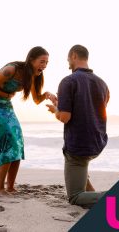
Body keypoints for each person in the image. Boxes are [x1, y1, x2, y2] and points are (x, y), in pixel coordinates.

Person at [0, 46, 57, 196]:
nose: (44, 66)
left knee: (18, 140)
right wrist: (7, 95)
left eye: (46, 63)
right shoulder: (11, 70)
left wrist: (47, 94)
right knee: (8, 139)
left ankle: (10, 187)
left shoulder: (34, 76)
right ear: (31, 60)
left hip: (6, 107)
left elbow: (36, 99)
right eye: (42, 62)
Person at [46, 45, 110, 207]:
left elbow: (65, 117)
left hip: (78, 147)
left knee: (75, 196)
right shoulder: (102, 83)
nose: (68, 62)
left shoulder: (68, 81)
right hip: (97, 142)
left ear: (74, 55)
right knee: (81, 168)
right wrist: (59, 103)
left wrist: (55, 110)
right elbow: (88, 109)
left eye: (68, 58)